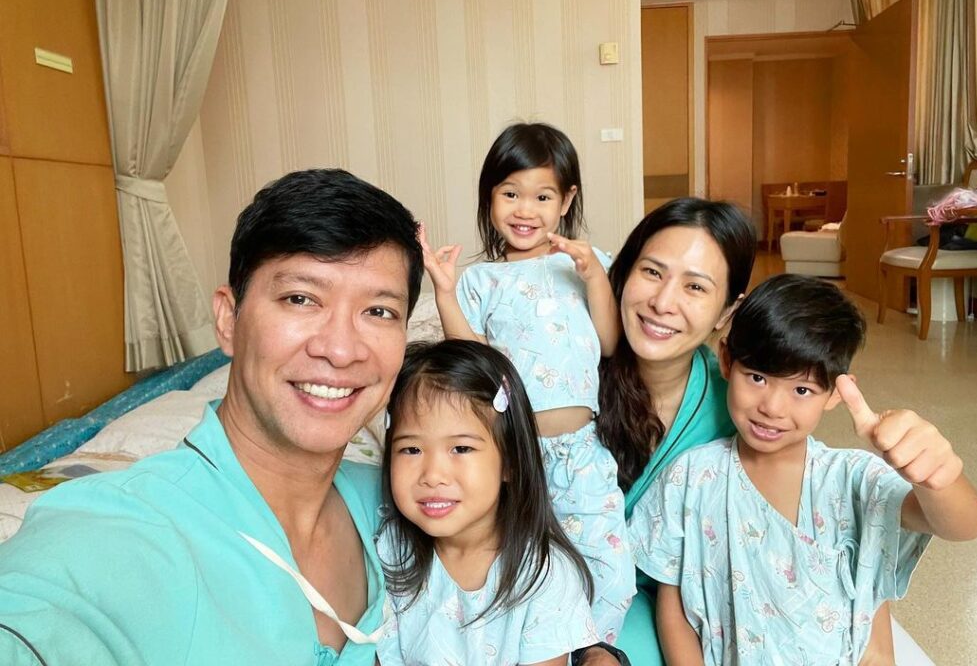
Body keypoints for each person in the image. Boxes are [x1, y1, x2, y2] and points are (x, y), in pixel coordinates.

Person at [0, 169, 424, 665]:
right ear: (228, 320)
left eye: (379, 312)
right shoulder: (124, 529)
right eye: (301, 299)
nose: (340, 349)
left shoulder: (403, 501)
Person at [629, 274, 977, 665]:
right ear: (727, 361)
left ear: (835, 393)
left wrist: (936, 477)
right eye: (757, 377)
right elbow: (674, 606)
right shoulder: (690, 478)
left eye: (802, 390)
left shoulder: (850, 478)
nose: (772, 408)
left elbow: (962, 526)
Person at [418, 122, 634, 643]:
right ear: (489, 197)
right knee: (524, 558)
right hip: (515, 452)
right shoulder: (482, 279)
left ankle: (594, 646)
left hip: (581, 450)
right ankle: (535, 643)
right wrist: (444, 292)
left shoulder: (586, 266)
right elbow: (474, 360)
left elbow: (609, 342)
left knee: (608, 561)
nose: (525, 209)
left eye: (542, 196)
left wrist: (594, 276)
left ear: (566, 201)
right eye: (510, 193)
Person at [595, 197, 757, 664]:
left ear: (726, 312)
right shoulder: (566, 376)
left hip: (668, 605)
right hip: (549, 589)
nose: (663, 303)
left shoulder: (735, 410)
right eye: (651, 272)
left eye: (695, 287)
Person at [375, 339, 597, 665]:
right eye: (411, 449)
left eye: (461, 449)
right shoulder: (390, 550)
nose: (433, 475)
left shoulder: (545, 575)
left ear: (510, 462)